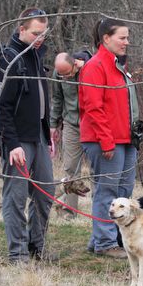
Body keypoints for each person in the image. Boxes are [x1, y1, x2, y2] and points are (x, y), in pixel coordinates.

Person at [0, 7, 55, 264]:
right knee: (16, 197)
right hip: (17, 140)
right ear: (21, 30)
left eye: (44, 33)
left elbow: (40, 100)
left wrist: (48, 135)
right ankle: (17, 253)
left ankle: (36, 247)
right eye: (35, 33)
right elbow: (0, 108)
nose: (40, 38)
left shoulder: (37, 55)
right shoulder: (8, 58)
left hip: (39, 136)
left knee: (45, 192)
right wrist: (12, 144)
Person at [79, 18, 141, 259]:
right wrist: (106, 141)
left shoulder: (118, 66)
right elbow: (93, 108)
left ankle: (101, 238)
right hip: (104, 140)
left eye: (127, 37)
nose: (127, 42)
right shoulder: (95, 66)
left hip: (125, 140)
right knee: (107, 191)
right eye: (122, 38)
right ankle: (105, 243)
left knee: (123, 191)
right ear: (106, 38)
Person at [50, 50, 92, 219]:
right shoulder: (59, 74)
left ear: (75, 64)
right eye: (61, 75)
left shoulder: (90, 69)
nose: (64, 77)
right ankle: (70, 212)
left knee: (97, 169)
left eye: (67, 74)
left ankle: (101, 213)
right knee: (71, 169)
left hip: (92, 125)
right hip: (71, 124)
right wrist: (53, 124)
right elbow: (57, 99)